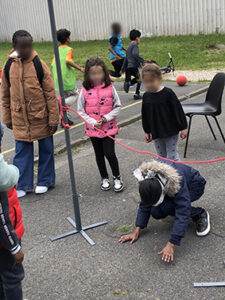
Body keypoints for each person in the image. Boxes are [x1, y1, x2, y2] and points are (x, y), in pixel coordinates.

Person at [1, 30, 59, 198]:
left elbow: (50, 93)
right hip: (19, 116)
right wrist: (7, 117)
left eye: (29, 45)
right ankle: (22, 183)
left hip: (41, 115)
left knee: (46, 149)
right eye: (22, 46)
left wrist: (54, 118)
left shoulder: (38, 63)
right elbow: (5, 94)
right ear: (14, 46)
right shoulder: (8, 66)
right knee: (21, 151)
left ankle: (45, 180)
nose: (27, 49)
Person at [119, 159, 210, 263]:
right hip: (168, 186)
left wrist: (171, 243)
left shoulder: (176, 181)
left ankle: (200, 213)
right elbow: (144, 205)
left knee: (173, 207)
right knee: (157, 212)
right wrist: (137, 230)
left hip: (194, 185)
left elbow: (182, 211)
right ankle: (171, 208)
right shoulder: (146, 180)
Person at [77, 56, 124, 192]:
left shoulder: (110, 87)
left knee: (109, 153)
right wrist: (92, 122)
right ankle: (104, 177)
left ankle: (117, 177)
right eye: (93, 73)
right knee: (99, 155)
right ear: (87, 74)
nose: (96, 76)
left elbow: (118, 106)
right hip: (93, 129)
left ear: (104, 72)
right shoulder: (85, 90)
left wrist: (106, 118)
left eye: (99, 73)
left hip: (108, 128)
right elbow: (80, 110)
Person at [141, 63, 188, 161]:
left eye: (151, 81)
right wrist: (147, 131)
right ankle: (164, 176)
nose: (149, 84)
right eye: (146, 82)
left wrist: (183, 127)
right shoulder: (146, 96)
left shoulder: (168, 93)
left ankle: (179, 175)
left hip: (170, 131)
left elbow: (178, 110)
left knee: (172, 156)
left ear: (159, 78)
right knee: (161, 157)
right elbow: (145, 115)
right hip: (156, 132)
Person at [0, 154, 25, 300]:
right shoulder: (2, 180)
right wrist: (14, 247)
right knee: (12, 277)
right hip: (6, 241)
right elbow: (2, 217)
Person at [52, 28, 84, 126]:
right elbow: (68, 61)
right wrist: (80, 69)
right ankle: (60, 103)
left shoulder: (57, 49)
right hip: (66, 78)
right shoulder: (69, 50)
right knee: (75, 95)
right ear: (67, 39)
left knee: (65, 96)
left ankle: (65, 120)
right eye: (69, 37)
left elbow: (53, 63)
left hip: (58, 77)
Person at [121, 29, 145, 100]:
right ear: (137, 38)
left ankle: (129, 83)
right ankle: (136, 93)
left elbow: (126, 58)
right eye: (139, 38)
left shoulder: (129, 46)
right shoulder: (135, 45)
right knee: (141, 78)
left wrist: (123, 68)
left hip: (128, 67)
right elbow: (135, 54)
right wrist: (143, 61)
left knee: (138, 79)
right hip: (134, 65)